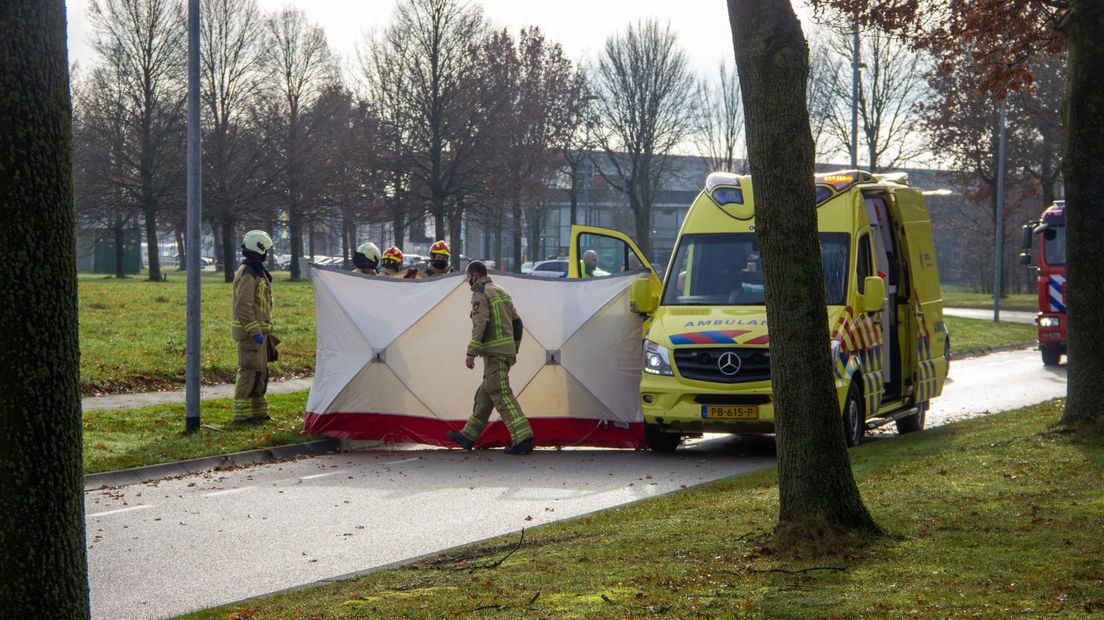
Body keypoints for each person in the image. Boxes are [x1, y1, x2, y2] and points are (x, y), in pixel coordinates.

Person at [445, 260, 534, 455]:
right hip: (505, 353)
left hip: (494, 354)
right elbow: (517, 324)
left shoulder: (480, 293)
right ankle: (468, 436)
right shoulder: (501, 291)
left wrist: (471, 352)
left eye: (468, 277)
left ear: (474, 276)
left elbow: (481, 323)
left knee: (501, 395)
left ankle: (523, 439)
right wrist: (513, 349)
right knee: (485, 396)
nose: (468, 281)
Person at [230, 230, 278, 423]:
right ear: (258, 248)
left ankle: (258, 413)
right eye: (265, 250)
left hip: (261, 333)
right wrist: (254, 331)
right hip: (251, 334)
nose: (266, 254)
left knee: (261, 373)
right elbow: (243, 306)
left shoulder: (256, 271)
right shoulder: (248, 274)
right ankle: (242, 415)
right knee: (249, 372)